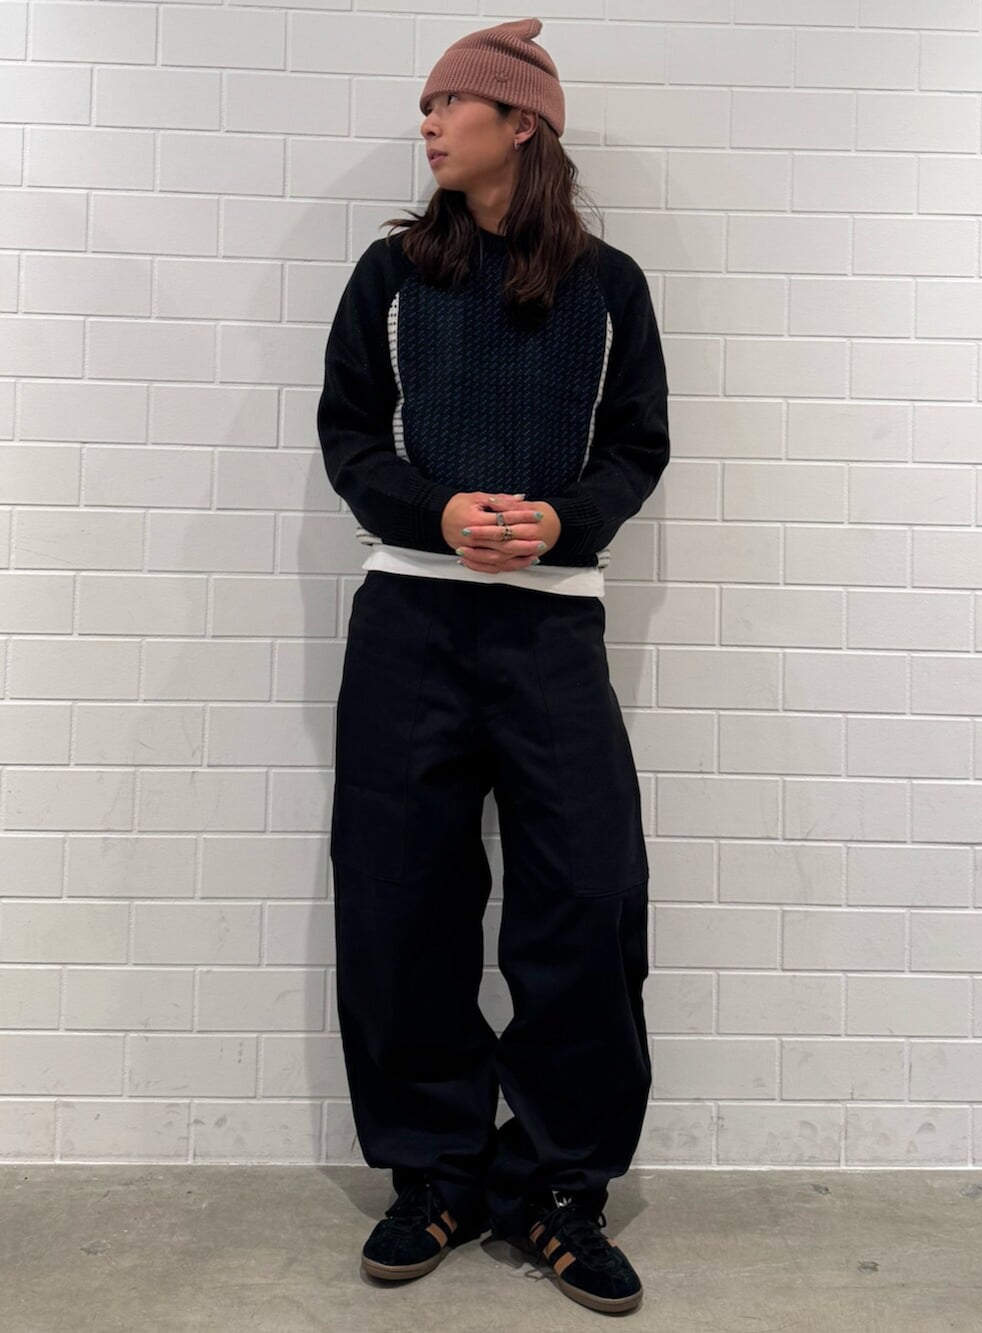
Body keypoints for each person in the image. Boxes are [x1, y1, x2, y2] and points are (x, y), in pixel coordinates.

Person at [316, 16, 669, 1316]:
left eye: (447, 102)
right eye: (425, 105)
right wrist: (438, 513)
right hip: (409, 623)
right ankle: (438, 1175)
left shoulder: (611, 287)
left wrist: (563, 520)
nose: (426, 123)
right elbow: (350, 434)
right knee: (400, 901)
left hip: (553, 629)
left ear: (521, 122)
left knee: (586, 899)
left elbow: (636, 445)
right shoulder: (392, 274)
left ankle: (559, 1187)